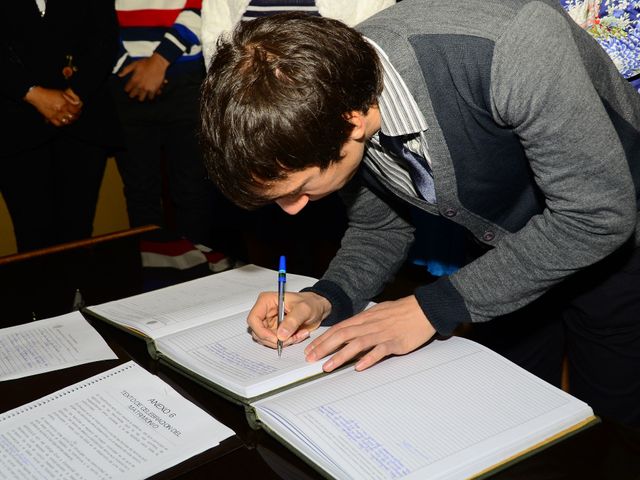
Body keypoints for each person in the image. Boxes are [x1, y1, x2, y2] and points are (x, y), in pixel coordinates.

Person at [199, 2, 640, 460]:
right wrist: (323, 298)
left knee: (606, 432)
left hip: (613, 252)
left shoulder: (510, 47)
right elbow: (380, 225)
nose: (292, 210)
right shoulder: (334, 97)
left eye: (299, 187)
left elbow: (596, 215)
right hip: (503, 255)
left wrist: (433, 308)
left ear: (352, 125)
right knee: (517, 424)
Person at [0, 1, 121, 252]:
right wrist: (32, 93)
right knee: (32, 236)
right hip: (14, 125)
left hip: (83, 119)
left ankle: (75, 291)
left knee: (77, 233)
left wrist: (76, 94)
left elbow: (105, 38)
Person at [110, 0, 217, 248]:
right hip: (124, 78)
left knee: (193, 192)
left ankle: (200, 278)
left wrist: (160, 60)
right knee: (140, 195)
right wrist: (126, 66)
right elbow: (93, 17)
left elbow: (204, 5)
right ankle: (152, 279)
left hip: (187, 78)